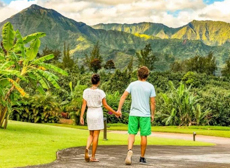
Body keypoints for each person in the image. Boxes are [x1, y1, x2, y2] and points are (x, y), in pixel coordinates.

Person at [117, 66, 156, 165]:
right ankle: (142, 157)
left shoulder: (132, 85)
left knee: (131, 134)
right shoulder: (150, 86)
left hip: (133, 114)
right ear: (147, 75)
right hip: (145, 115)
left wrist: (119, 109)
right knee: (144, 135)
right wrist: (152, 114)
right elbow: (153, 102)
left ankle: (129, 150)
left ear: (138, 75)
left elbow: (123, 96)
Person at [80, 74, 120, 162]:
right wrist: (115, 112)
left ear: (91, 81)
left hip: (89, 112)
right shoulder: (100, 92)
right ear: (98, 82)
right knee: (96, 135)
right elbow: (105, 105)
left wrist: (81, 116)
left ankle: (87, 148)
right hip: (97, 113)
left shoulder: (86, 91)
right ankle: (93, 156)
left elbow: (84, 104)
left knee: (91, 134)